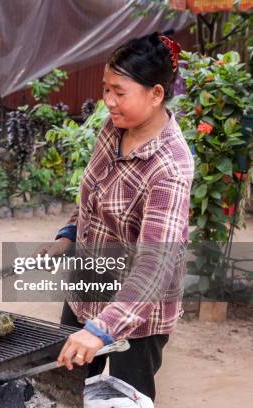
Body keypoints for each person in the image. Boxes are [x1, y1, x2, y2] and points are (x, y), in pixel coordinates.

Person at [49, 32, 193, 401]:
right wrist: (68, 233)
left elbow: (155, 266)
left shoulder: (170, 167)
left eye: (119, 91)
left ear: (156, 94)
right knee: (65, 385)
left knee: (126, 395)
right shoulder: (114, 127)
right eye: (105, 89)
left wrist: (101, 330)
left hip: (139, 309)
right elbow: (92, 192)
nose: (108, 101)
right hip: (88, 286)